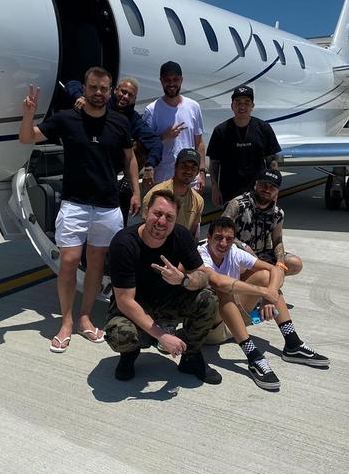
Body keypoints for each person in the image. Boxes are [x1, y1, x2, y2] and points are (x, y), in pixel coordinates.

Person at [19, 67, 140, 352]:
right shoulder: (66, 118)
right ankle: (66, 322)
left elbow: (130, 158)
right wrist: (29, 111)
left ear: (110, 92)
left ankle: (85, 319)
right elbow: (27, 137)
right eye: (93, 87)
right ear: (84, 88)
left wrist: (136, 190)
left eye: (103, 89)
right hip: (75, 203)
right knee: (70, 261)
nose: (98, 93)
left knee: (97, 263)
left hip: (108, 206)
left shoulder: (119, 123)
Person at [105, 190, 221, 384]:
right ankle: (130, 354)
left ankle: (191, 357)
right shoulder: (124, 243)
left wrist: (184, 280)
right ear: (145, 212)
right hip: (136, 306)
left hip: (169, 302)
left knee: (208, 300)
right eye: (157, 214)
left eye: (169, 217)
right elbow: (125, 301)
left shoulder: (181, 236)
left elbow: (203, 276)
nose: (162, 222)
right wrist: (162, 336)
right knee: (120, 335)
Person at [222, 169, 329, 368]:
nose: (266, 189)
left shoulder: (277, 213)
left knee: (293, 263)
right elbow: (221, 234)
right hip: (237, 259)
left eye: (271, 187)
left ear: (277, 192)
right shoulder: (238, 204)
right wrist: (245, 249)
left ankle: (271, 301)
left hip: (262, 257)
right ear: (256, 185)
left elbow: (278, 240)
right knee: (266, 276)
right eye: (263, 184)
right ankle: (291, 340)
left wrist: (279, 263)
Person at [198, 217, 283, 389]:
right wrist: (263, 292)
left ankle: (293, 342)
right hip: (210, 329)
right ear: (208, 237)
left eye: (229, 239)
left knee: (266, 277)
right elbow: (218, 282)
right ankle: (253, 357)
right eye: (218, 237)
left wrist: (269, 296)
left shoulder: (234, 252)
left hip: (234, 323)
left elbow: (276, 269)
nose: (223, 243)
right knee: (223, 289)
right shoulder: (201, 254)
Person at [71, 77, 163, 224]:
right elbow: (73, 83)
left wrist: (150, 165)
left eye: (130, 95)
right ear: (115, 90)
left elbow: (155, 143)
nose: (125, 97)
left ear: (134, 99)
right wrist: (80, 97)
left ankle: (126, 184)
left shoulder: (133, 120)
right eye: (123, 92)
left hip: (109, 169)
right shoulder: (100, 102)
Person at [208, 84, 281, 206]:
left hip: (258, 192)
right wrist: (215, 190)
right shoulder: (220, 131)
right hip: (230, 193)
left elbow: (272, 162)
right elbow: (214, 164)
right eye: (238, 102)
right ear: (232, 106)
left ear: (252, 106)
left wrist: (274, 190)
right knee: (230, 224)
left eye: (247, 102)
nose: (242, 106)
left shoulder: (264, 129)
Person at [143, 61, 207, 191]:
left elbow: (199, 142)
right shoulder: (152, 110)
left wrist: (201, 172)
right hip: (163, 177)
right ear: (161, 81)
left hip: (190, 178)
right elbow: (145, 144)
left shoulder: (193, 107)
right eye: (167, 80)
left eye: (175, 79)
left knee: (190, 211)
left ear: (181, 80)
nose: (171, 83)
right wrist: (165, 136)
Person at [142, 148, 204, 238]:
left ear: (197, 172)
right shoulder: (155, 194)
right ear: (175, 166)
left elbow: (191, 234)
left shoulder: (198, 201)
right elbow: (145, 227)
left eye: (193, 168)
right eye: (184, 166)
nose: (188, 171)